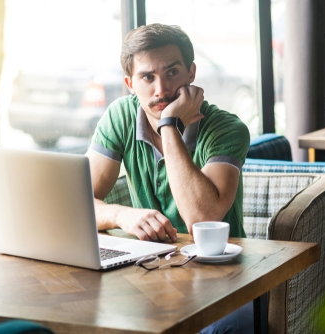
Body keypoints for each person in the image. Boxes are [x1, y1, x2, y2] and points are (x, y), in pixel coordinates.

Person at [85, 23, 253, 333]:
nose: (161, 89)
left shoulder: (227, 129)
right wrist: (121, 215)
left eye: (172, 72)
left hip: (221, 278)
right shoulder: (120, 116)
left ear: (191, 72)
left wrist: (169, 126)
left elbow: (202, 218)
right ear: (130, 83)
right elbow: (75, 202)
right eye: (147, 77)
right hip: (149, 270)